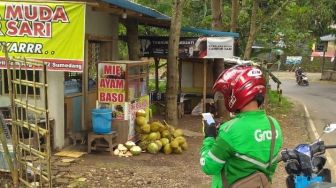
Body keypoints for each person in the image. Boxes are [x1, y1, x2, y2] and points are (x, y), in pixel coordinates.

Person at [200, 65, 283, 187]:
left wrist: (209, 137)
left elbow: (208, 167)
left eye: (227, 94)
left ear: (237, 93)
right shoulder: (273, 124)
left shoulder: (230, 130)